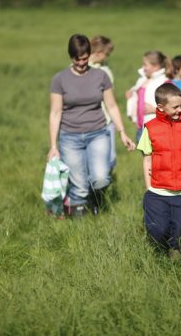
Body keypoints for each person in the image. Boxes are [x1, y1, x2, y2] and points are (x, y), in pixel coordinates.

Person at [47, 34, 135, 217]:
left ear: (90, 54)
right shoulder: (60, 79)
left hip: (98, 133)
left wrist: (122, 132)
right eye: (76, 60)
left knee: (101, 178)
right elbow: (55, 112)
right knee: (79, 186)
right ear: (70, 57)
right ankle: (80, 226)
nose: (81, 64)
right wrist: (53, 146)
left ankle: (97, 200)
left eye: (84, 59)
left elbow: (111, 105)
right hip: (69, 137)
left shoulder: (101, 76)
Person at [137, 83, 181, 259]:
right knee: (157, 229)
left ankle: (176, 253)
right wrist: (149, 188)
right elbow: (147, 159)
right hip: (158, 189)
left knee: (179, 227)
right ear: (160, 107)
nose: (179, 110)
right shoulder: (150, 127)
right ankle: (160, 246)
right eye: (175, 107)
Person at [126, 51, 173, 142]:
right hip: (142, 128)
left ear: (155, 66)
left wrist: (155, 110)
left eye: (145, 65)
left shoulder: (164, 82)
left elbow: (174, 107)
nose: (143, 68)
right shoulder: (143, 80)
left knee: (158, 156)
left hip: (158, 129)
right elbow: (138, 98)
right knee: (146, 156)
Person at [88, 35, 117, 171]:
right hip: (93, 121)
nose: (107, 57)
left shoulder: (104, 68)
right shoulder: (83, 69)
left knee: (110, 159)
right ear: (99, 54)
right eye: (107, 54)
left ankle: (99, 189)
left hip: (107, 119)